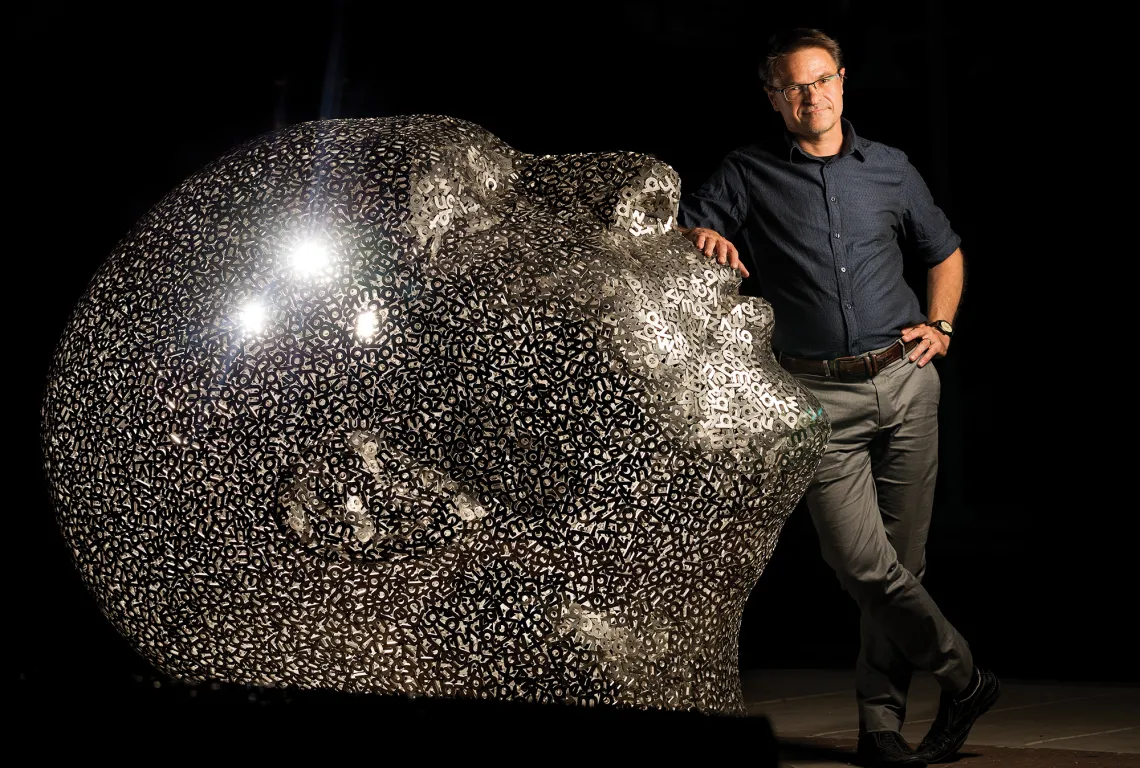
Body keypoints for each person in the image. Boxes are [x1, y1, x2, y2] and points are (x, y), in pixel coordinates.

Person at [676, 27, 999, 768]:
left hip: (907, 378)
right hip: (816, 395)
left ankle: (879, 726)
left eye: (821, 80)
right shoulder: (748, 171)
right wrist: (704, 236)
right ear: (774, 98)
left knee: (903, 567)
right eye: (794, 85)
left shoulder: (889, 169)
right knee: (861, 564)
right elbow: (691, 225)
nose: (810, 95)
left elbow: (943, 249)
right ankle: (966, 677)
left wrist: (942, 323)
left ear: (843, 82)